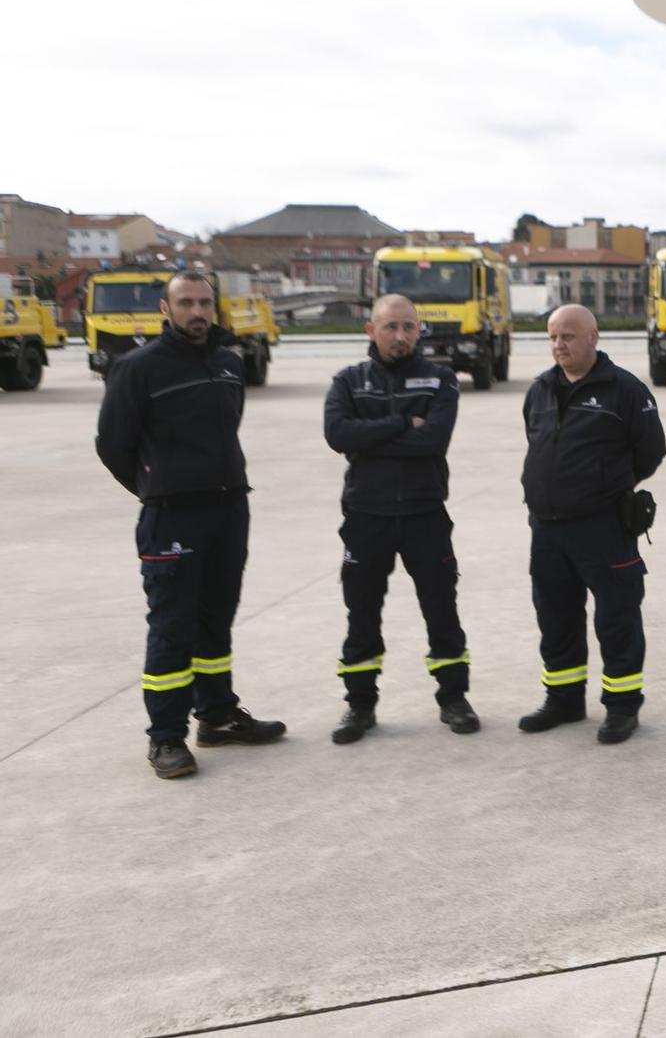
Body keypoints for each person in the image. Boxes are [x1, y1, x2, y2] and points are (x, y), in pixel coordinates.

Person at [95, 271, 286, 780]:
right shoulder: (137, 369)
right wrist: (156, 487)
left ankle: (218, 715)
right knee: (172, 628)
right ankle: (165, 738)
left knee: (216, 618)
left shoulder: (227, 363)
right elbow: (113, 444)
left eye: (204, 302)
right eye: (186, 303)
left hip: (228, 509)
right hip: (172, 515)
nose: (197, 311)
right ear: (166, 308)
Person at [321, 293, 478, 743]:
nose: (401, 335)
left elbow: (432, 441)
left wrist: (369, 438)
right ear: (371, 331)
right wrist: (401, 425)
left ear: (419, 330)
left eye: (409, 327)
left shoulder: (440, 379)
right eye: (391, 327)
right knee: (362, 612)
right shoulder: (348, 381)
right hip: (366, 515)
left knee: (441, 608)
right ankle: (360, 705)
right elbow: (337, 434)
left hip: (424, 512)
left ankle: (454, 697)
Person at [517, 304, 665, 744]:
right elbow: (534, 439)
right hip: (547, 529)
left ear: (593, 338)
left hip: (603, 526)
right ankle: (563, 699)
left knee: (617, 618)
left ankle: (621, 707)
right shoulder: (540, 389)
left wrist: (604, 484)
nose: (559, 345)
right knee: (555, 617)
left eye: (568, 336)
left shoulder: (625, 390)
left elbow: (651, 451)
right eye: (553, 337)